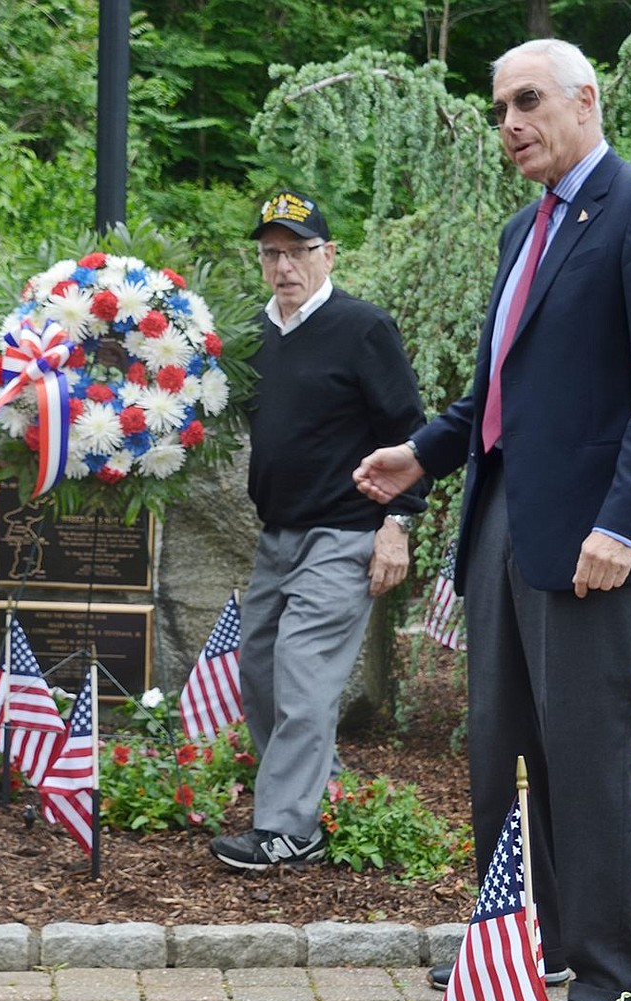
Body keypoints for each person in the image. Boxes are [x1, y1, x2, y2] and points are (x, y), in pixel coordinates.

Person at [353, 40, 631, 1001]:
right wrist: (421, 454)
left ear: (585, 99)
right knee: (501, 741)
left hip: (599, 533)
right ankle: (523, 937)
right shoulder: (525, 231)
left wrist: (626, 524)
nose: (510, 121)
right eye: (500, 108)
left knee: (588, 752)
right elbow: (495, 396)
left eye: (528, 100)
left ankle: (619, 971)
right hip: (503, 515)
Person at [209, 190, 428, 870]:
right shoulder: (251, 332)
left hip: (344, 533)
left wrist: (397, 525)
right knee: (261, 674)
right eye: (271, 252)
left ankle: (287, 828)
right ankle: (319, 786)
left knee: (304, 678)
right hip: (277, 535)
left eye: (299, 251)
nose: (284, 266)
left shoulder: (363, 328)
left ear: (328, 254)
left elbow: (412, 432)